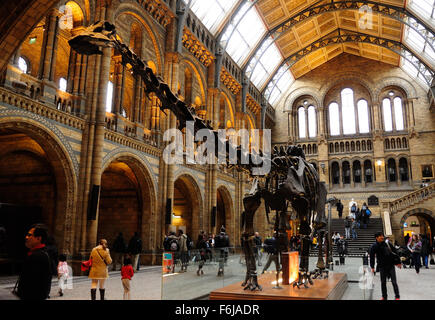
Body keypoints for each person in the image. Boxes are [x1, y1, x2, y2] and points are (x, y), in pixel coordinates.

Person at [16, 224, 52, 300]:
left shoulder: (38, 256)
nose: (26, 237)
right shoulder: (38, 253)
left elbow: (33, 284)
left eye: (29, 235)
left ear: (38, 238)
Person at [369, 232, 401, 300]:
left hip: (390, 265)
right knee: (383, 282)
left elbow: (395, 251)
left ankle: (397, 296)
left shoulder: (387, 243)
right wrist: (372, 267)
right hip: (382, 266)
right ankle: (384, 296)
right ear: (376, 238)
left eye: (382, 236)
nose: (382, 237)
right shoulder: (374, 246)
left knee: (394, 281)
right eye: (380, 236)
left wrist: (398, 262)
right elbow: (372, 257)